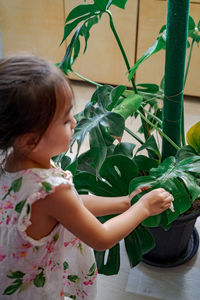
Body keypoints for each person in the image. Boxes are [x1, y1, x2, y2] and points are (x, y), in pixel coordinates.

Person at [0, 54, 173, 300]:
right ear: (31, 140)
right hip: (36, 289)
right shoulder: (49, 190)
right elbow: (101, 238)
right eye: (65, 119)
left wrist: (125, 202)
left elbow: (72, 205)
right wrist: (143, 208)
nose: (74, 122)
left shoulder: (11, 161)